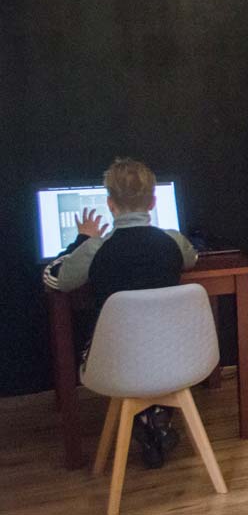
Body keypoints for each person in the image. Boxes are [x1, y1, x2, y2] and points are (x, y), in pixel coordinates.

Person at [43, 158, 198, 469]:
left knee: (125, 348)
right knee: (151, 348)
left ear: (110, 205)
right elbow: (191, 259)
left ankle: (147, 420)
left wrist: (82, 240)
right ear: (153, 202)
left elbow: (54, 278)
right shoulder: (173, 240)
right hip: (173, 357)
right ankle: (156, 419)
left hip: (116, 363)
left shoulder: (96, 249)